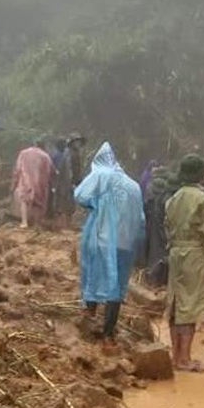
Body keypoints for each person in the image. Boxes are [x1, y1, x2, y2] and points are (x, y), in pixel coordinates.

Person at [75, 142, 145, 347]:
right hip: (126, 242)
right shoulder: (133, 186)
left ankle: (90, 313)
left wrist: (96, 204)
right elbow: (141, 219)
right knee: (117, 286)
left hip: (102, 238)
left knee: (94, 275)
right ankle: (108, 333)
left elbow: (80, 195)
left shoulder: (101, 176)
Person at [165, 154, 204, 371]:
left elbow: (167, 229)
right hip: (195, 255)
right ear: (200, 174)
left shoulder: (173, 198)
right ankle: (185, 358)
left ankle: (175, 356)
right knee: (190, 306)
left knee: (175, 303)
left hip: (175, 252)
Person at [12, 140, 53, 229]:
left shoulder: (23, 153)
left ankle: (24, 222)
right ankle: (36, 223)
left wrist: (15, 181)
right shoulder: (45, 156)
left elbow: (18, 168)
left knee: (24, 201)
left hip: (25, 181)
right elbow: (49, 170)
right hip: (40, 182)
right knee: (38, 203)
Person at [55, 133, 86, 229]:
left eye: (79, 141)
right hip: (67, 182)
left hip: (73, 181)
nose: (78, 143)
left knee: (71, 204)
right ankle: (66, 225)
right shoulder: (69, 153)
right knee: (67, 203)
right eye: (76, 141)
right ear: (72, 142)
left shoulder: (76, 152)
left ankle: (68, 223)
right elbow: (69, 169)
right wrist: (71, 182)